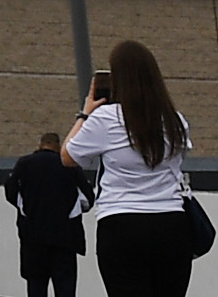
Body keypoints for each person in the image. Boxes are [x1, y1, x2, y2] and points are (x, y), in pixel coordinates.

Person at [64, 43, 197, 297]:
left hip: (121, 225)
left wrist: (85, 113)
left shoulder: (105, 118)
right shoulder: (174, 120)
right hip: (172, 224)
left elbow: (68, 156)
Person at [5, 129, 86, 297]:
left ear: (40, 145)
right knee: (65, 288)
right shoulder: (69, 165)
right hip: (64, 239)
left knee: (36, 287)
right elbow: (87, 198)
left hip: (33, 238)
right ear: (58, 146)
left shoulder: (24, 164)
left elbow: (11, 192)